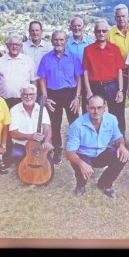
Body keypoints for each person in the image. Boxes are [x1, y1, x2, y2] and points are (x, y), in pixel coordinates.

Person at [65, 94, 129, 198]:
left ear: (104, 107)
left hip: (102, 152)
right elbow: (69, 153)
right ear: (87, 107)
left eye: (99, 107)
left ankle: (106, 184)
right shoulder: (77, 125)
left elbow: (118, 137)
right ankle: (80, 185)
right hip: (84, 155)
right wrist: (81, 163)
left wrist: (122, 145)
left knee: (123, 156)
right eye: (92, 108)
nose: (96, 111)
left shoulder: (112, 119)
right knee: (77, 162)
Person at [37, 29, 85, 163]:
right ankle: (57, 149)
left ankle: (77, 148)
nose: (59, 42)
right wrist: (45, 98)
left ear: (66, 41)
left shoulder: (73, 57)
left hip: (70, 93)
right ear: (52, 41)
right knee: (55, 124)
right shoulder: (46, 58)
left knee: (74, 122)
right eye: (56, 39)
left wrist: (77, 97)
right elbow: (42, 79)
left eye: (61, 39)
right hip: (53, 95)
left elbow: (79, 78)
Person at [82, 19, 128, 136]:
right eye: (98, 31)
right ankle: (95, 137)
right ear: (94, 33)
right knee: (95, 113)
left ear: (108, 32)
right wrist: (88, 90)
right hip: (95, 86)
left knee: (117, 113)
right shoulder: (88, 50)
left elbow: (119, 70)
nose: (101, 33)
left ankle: (120, 138)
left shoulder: (115, 48)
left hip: (112, 85)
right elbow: (86, 71)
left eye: (104, 31)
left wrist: (120, 90)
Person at [7, 83, 52, 168]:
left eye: (31, 94)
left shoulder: (42, 108)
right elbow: (13, 133)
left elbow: (47, 128)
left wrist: (46, 141)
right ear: (21, 95)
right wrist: (31, 136)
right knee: (25, 166)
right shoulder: (14, 110)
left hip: (38, 144)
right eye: (25, 94)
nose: (28, 97)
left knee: (47, 165)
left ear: (36, 95)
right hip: (21, 145)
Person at [0, 33, 35, 110]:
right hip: (4, 101)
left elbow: (34, 80)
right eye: (12, 44)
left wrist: (33, 97)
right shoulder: (0, 61)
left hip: (23, 100)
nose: (14, 47)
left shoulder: (28, 61)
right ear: (7, 46)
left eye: (17, 45)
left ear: (21, 46)